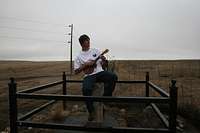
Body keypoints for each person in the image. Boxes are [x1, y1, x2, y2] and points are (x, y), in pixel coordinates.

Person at [74, 34, 118, 121]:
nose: (89, 44)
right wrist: (85, 65)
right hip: (89, 75)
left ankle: (106, 98)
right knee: (86, 89)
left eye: (89, 41)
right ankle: (91, 111)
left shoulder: (96, 51)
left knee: (113, 77)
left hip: (100, 72)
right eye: (87, 42)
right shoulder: (78, 56)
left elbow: (103, 64)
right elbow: (76, 71)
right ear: (82, 44)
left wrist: (104, 60)